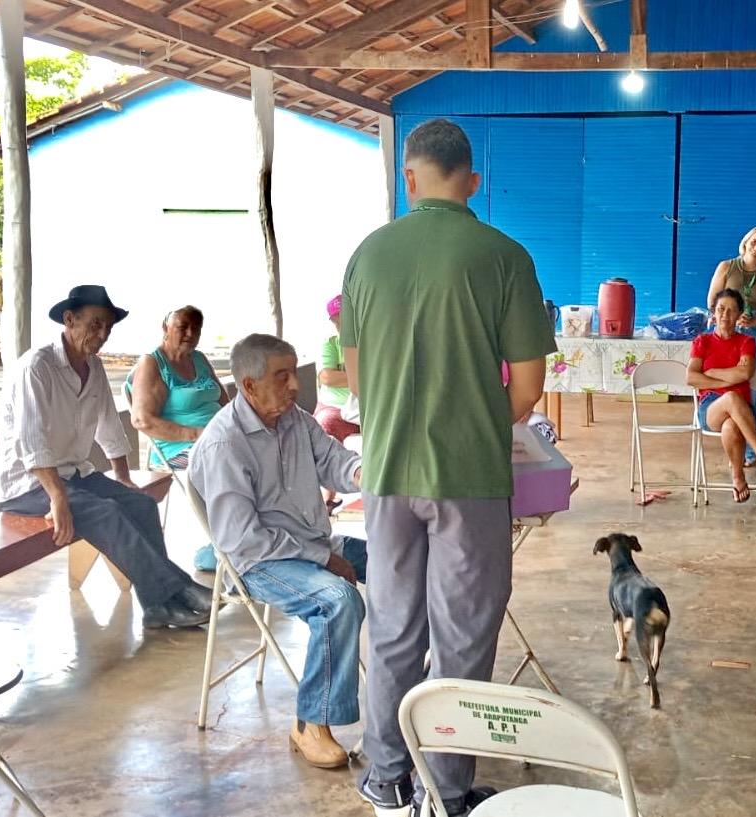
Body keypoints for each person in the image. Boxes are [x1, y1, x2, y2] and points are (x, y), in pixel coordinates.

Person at [344, 118, 557, 817]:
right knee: (463, 634)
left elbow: (357, 377)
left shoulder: (367, 255)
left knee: (392, 626)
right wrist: (475, 420)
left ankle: (386, 777)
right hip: (467, 475)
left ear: (409, 176)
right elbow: (527, 390)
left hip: (384, 474)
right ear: (472, 180)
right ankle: (445, 791)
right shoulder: (504, 256)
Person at [188, 334, 367, 770]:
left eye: (293, 373)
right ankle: (311, 723)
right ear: (249, 385)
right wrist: (323, 559)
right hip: (258, 562)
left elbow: (334, 462)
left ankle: (417, 684)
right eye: (282, 376)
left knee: (404, 561)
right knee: (338, 601)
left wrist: (365, 472)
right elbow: (241, 540)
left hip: (310, 545)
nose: (294, 385)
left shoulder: (294, 420)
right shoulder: (224, 443)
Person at [0, 285, 212, 629]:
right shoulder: (36, 367)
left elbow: (109, 425)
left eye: (108, 327)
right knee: (107, 513)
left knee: (141, 504)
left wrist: (122, 477)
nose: (103, 334)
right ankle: (178, 590)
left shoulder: (93, 367)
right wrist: (57, 497)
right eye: (95, 324)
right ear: (69, 319)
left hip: (74, 475)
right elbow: (31, 440)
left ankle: (157, 607)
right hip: (31, 484)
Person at [128, 305, 228, 571]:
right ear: (166, 328)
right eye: (183, 327)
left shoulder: (199, 359)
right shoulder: (152, 363)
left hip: (217, 442)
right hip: (178, 448)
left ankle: (257, 534)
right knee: (231, 465)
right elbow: (142, 420)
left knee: (266, 451)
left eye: (196, 328)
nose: (190, 333)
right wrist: (196, 435)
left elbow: (225, 402)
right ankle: (223, 547)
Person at [686, 288, 756, 503]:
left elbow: (745, 373)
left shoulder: (746, 341)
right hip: (710, 408)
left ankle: (738, 477)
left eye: (732, 310)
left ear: (740, 315)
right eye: (721, 309)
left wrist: (711, 373)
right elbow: (691, 377)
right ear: (714, 313)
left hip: (742, 411)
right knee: (730, 397)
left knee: (731, 425)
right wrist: (727, 381)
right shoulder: (703, 341)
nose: (725, 315)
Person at [707, 225, 756, 464]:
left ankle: (751, 448)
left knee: (755, 389)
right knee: (732, 386)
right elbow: (712, 301)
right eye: (754, 241)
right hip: (729, 330)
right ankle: (746, 443)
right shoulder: (727, 266)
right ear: (746, 242)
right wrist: (730, 316)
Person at [314, 294, 359, 509]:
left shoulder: (371, 342)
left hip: (365, 406)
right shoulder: (331, 344)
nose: (342, 324)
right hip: (336, 407)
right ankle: (327, 498)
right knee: (325, 424)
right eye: (338, 320)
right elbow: (327, 377)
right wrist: (361, 377)